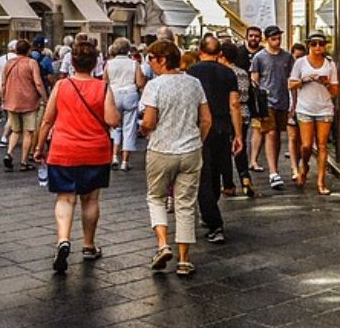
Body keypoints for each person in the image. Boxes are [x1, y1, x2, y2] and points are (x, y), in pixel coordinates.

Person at [27, 40, 118, 273]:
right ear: (96, 62)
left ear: (73, 62)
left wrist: (38, 147)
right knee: (90, 199)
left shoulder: (61, 86)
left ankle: (63, 240)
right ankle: (88, 245)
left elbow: (47, 120)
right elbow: (112, 120)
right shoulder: (103, 88)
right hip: (95, 152)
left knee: (65, 198)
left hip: (64, 150)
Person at [140, 39, 209, 277]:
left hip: (161, 149)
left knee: (156, 197)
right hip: (190, 149)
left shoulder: (154, 86)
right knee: (185, 204)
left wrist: (143, 130)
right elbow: (206, 119)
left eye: (151, 58)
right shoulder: (194, 83)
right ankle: (184, 259)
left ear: (161, 59)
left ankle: (162, 245)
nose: (150, 63)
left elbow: (149, 121)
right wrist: (198, 139)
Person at [187, 35, 243, 243]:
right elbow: (234, 104)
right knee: (217, 172)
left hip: (200, 126)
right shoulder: (228, 73)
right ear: (219, 53)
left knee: (203, 175)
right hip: (222, 127)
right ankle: (211, 213)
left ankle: (213, 221)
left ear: (200, 50)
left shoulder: (192, 72)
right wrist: (238, 134)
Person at [290, 32, 340, 195]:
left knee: (322, 145)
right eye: (314, 44)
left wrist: (326, 83)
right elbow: (290, 84)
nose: (318, 47)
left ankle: (321, 181)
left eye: (321, 44)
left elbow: (335, 91)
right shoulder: (300, 63)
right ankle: (304, 165)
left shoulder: (329, 64)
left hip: (324, 108)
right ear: (308, 46)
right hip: (305, 108)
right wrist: (304, 80)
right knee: (306, 146)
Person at [250, 26, 297, 190]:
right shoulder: (260, 57)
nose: (277, 41)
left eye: (279, 38)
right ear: (267, 39)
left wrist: (294, 102)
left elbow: (292, 79)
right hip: (267, 101)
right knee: (270, 133)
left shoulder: (287, 57)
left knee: (277, 135)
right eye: (274, 39)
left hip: (283, 100)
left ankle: (274, 168)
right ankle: (273, 172)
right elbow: (254, 80)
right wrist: (257, 103)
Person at [0, 38, 46, 173]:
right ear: (28, 50)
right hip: (29, 101)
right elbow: (38, 83)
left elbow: (3, 82)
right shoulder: (31, 63)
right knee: (28, 132)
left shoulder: (9, 63)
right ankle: (24, 161)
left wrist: (3, 98)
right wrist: (44, 97)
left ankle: (9, 153)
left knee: (16, 130)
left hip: (11, 100)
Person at [104, 38, 146, 172]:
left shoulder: (109, 64)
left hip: (114, 94)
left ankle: (114, 156)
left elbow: (105, 81)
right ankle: (125, 161)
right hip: (130, 94)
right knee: (129, 127)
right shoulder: (134, 64)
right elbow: (140, 83)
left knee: (115, 126)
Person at [223, 42, 256, 198]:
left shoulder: (223, 72)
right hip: (244, 112)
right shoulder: (243, 72)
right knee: (240, 146)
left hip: (230, 112)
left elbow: (231, 99)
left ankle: (229, 183)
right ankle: (245, 177)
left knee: (225, 149)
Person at [242, 27, 267, 171]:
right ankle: (243, 159)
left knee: (258, 129)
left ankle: (253, 160)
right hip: (241, 98)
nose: (254, 38)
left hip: (259, 97)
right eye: (251, 36)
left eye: (257, 36)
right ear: (246, 37)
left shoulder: (263, 53)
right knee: (242, 131)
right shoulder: (239, 53)